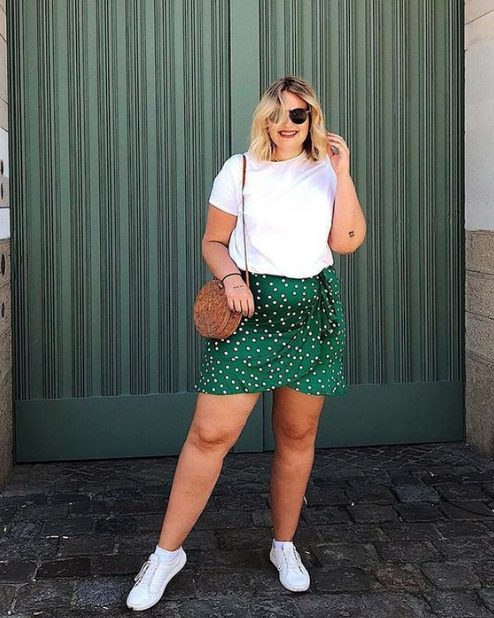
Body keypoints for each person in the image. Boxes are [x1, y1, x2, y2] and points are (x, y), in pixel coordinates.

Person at [126, 75, 366, 611]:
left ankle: (284, 545)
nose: (287, 124)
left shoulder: (326, 171)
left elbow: (346, 242)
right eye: (277, 113)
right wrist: (232, 278)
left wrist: (343, 173)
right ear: (264, 118)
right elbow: (213, 242)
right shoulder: (239, 170)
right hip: (249, 311)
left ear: (312, 119)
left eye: (298, 115)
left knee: (297, 435)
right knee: (209, 437)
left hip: (311, 313)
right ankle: (166, 555)